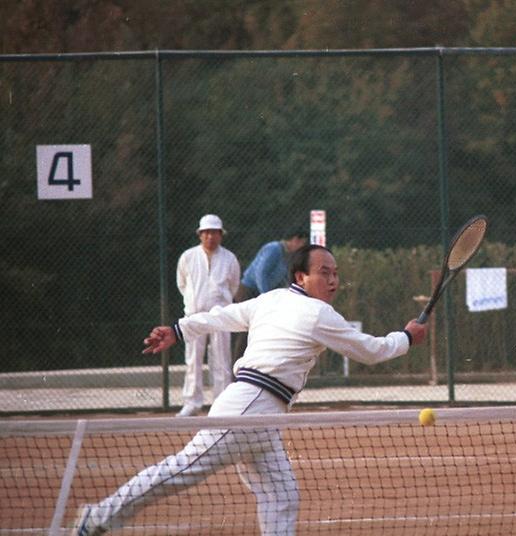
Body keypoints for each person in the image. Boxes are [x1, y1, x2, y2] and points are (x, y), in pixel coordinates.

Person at [73, 244, 427, 536]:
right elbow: (371, 350)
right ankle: (96, 519)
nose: (333, 279)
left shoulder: (271, 299)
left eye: (335, 273)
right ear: (301, 277)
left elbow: (220, 316)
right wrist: (408, 336)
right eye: (324, 272)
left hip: (263, 415)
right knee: (181, 471)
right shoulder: (316, 313)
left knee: (282, 495)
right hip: (249, 408)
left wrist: (179, 330)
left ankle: (97, 518)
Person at [175, 214, 240, 417]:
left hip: (221, 317)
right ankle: (192, 403)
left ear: (221, 235)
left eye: (214, 232)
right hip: (194, 316)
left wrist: (220, 302)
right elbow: (182, 284)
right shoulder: (187, 257)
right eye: (206, 232)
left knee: (221, 359)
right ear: (200, 235)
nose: (210, 236)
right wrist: (194, 301)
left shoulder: (229, 258)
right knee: (193, 359)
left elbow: (234, 285)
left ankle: (222, 404)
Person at [233, 228, 308, 359]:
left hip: (264, 294)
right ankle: (236, 371)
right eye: (303, 243)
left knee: (263, 331)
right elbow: (260, 273)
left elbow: (285, 280)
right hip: (249, 291)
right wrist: (267, 297)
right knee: (246, 331)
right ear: (296, 239)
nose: (303, 247)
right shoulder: (274, 248)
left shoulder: (289, 257)